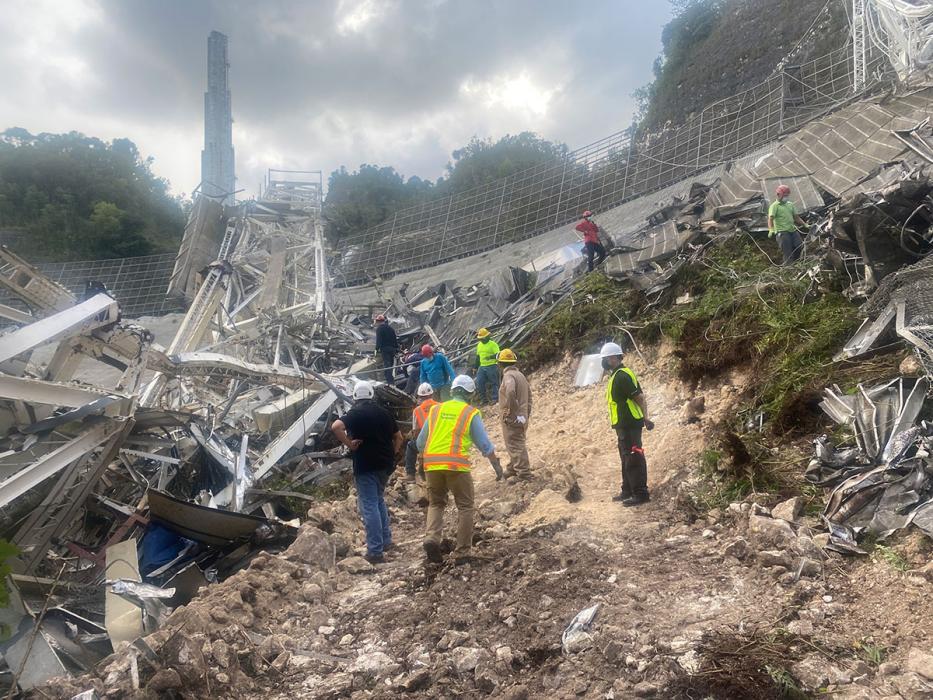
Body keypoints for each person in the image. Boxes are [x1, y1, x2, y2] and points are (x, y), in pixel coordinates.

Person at [416, 375, 502, 564]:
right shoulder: (470, 412)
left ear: (453, 390)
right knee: (465, 506)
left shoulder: (436, 409)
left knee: (436, 504)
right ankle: (463, 551)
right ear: (470, 394)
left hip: (431, 464)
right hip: (456, 465)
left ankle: (431, 538)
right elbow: (484, 444)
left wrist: (425, 461)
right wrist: (497, 466)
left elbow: (420, 442)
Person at [331, 381, 403, 564]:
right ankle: (386, 541)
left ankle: (375, 551)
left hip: (365, 465)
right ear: (371, 394)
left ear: (355, 397)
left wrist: (349, 444)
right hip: (385, 465)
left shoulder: (355, 413)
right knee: (378, 500)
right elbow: (399, 437)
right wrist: (392, 454)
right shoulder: (384, 412)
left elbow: (336, 427)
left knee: (369, 505)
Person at [600, 342, 654, 507]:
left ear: (612, 358)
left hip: (630, 424)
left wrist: (646, 418)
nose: (603, 362)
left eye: (605, 358)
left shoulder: (622, 376)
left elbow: (640, 397)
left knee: (634, 457)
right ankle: (628, 490)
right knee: (626, 458)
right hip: (623, 425)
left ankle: (641, 493)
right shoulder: (616, 375)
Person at [497, 349, 532, 480]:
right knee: (514, 442)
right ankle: (512, 468)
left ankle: (524, 473)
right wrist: (525, 414)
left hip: (513, 418)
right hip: (521, 417)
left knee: (515, 443)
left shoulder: (508, 377)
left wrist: (512, 412)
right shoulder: (521, 375)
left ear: (500, 364)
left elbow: (510, 392)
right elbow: (529, 397)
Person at [404, 382, 439, 504]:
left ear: (419, 397)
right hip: (440, 440)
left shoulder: (417, 410)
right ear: (432, 394)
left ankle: (410, 474)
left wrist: (421, 453)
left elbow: (416, 431)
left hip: (427, 442)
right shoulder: (441, 406)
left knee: (410, 446)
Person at [768, 185, 808, 264]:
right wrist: (771, 229)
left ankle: (797, 263)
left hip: (792, 230)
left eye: (787, 195)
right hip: (782, 232)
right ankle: (789, 268)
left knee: (799, 246)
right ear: (778, 194)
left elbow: (796, 217)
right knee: (788, 252)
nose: (786, 197)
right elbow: (770, 219)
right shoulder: (774, 206)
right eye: (784, 196)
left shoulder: (790, 204)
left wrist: (805, 224)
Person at [473, 328, 500, 405]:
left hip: (492, 366)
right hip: (482, 366)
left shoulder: (493, 344)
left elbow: (498, 355)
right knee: (479, 383)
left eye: (482, 338)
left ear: (487, 337)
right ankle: (484, 400)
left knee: (494, 382)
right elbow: (478, 357)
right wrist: (475, 367)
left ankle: (495, 398)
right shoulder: (479, 345)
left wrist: (490, 357)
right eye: (480, 339)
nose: (481, 340)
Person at [374, 315, 399, 385]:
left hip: (385, 350)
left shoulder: (379, 329)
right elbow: (395, 339)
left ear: (378, 322)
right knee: (390, 365)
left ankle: (390, 382)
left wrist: (376, 350)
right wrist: (396, 349)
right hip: (392, 350)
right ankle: (391, 380)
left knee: (387, 366)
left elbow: (378, 341)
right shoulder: (390, 328)